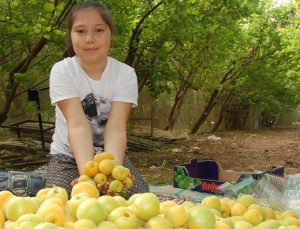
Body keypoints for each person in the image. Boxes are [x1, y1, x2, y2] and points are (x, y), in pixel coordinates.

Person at [45, 1, 149, 196]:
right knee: (63, 199)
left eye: (99, 30)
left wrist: (112, 175)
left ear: (110, 34)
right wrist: (89, 179)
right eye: (81, 31)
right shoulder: (62, 71)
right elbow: (77, 126)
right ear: (71, 35)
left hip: (110, 155)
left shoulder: (125, 74)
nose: (90, 39)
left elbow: (116, 128)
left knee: (136, 196)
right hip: (66, 155)